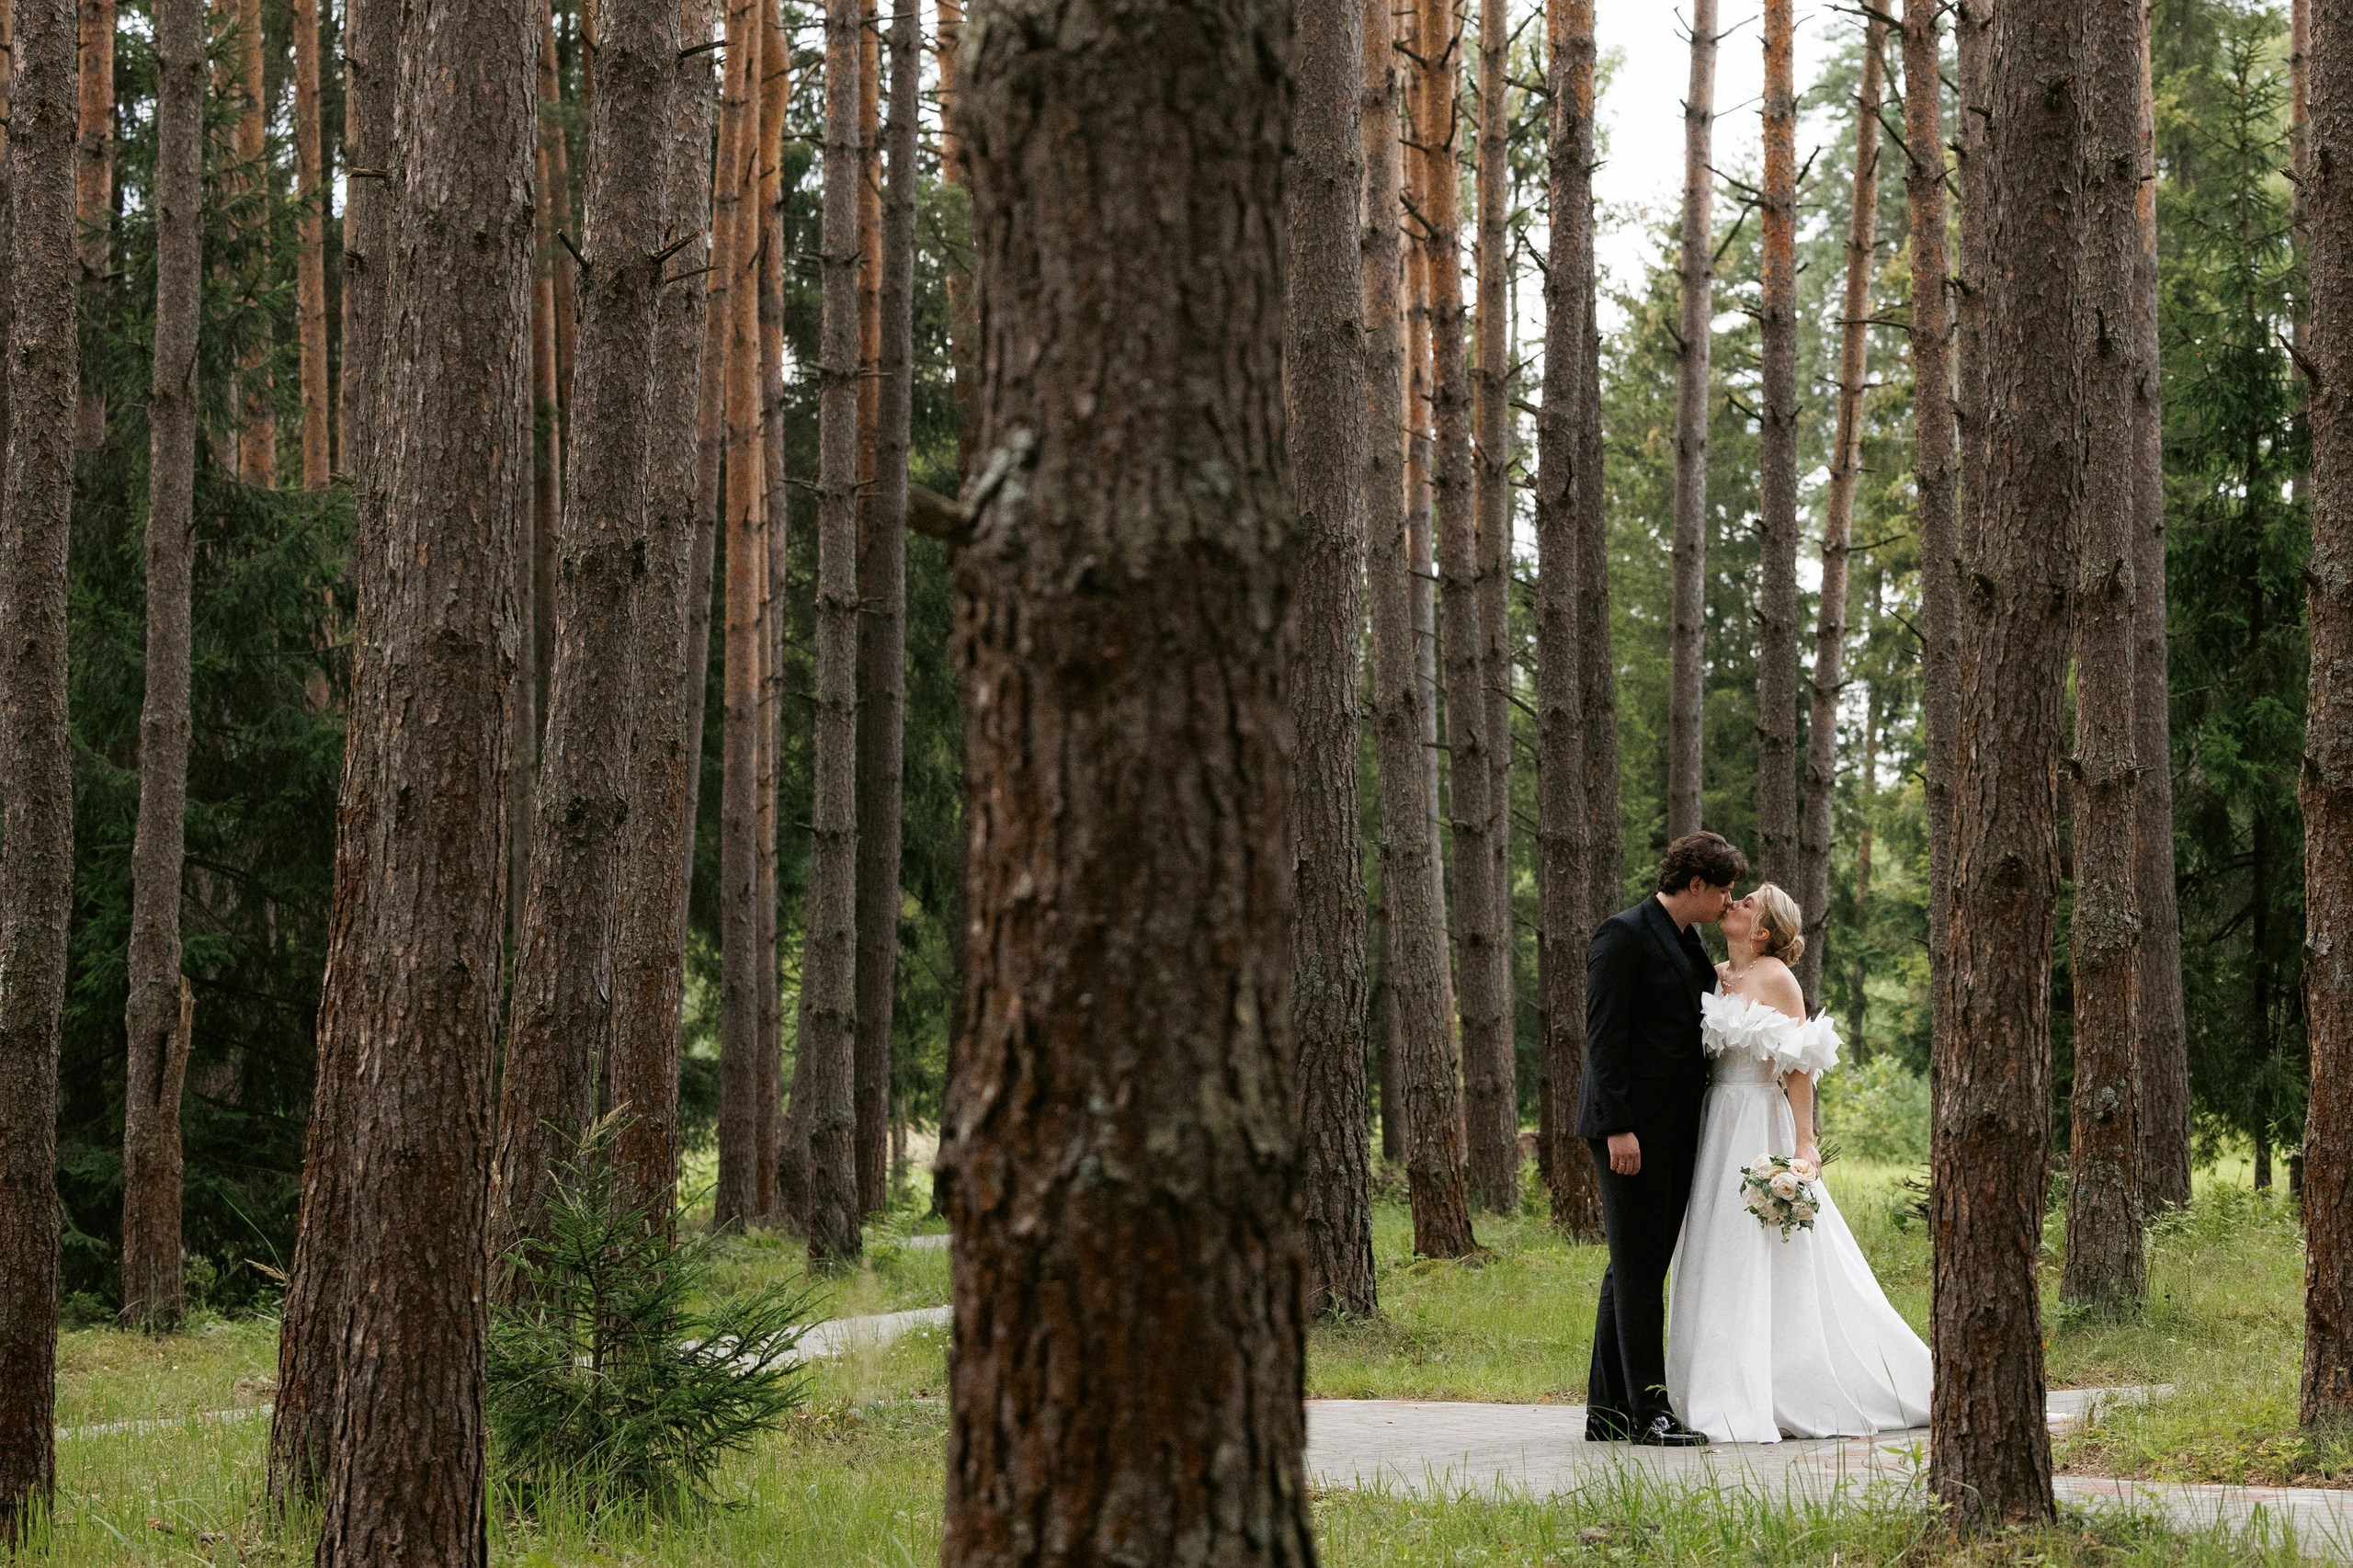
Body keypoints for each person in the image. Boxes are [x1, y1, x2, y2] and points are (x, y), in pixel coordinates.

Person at [1665, 882, 1931, 1443]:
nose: (1732, 903)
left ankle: (1779, 1384)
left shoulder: (1778, 979)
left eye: (1747, 903)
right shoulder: (1715, 972)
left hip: (1760, 1121)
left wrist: (1804, 1142)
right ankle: (1711, 1382)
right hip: (1716, 1121)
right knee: (1716, 1244)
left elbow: (1798, 1065)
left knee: (1763, 1246)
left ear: (1762, 931)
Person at [1576, 830, 1747, 1446]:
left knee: (1632, 1267)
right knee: (1641, 1271)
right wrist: (1619, 1126)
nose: (1727, 903)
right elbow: (1604, 1039)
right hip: (1632, 1130)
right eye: (1723, 892)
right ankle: (1650, 1412)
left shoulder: (1688, 940)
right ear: (1695, 884)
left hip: (1675, 1127)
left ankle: (1608, 1411)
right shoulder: (1623, 935)